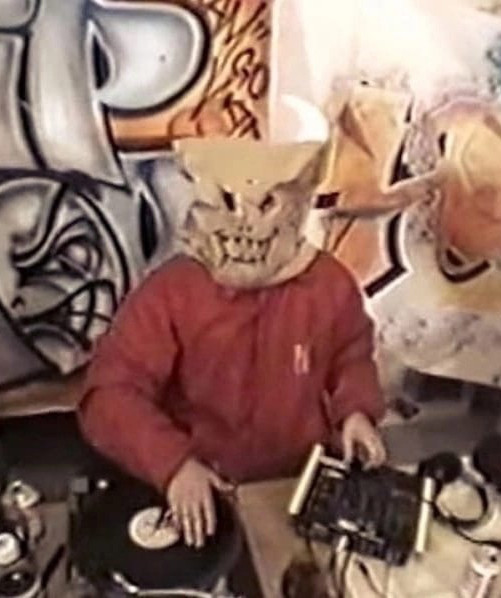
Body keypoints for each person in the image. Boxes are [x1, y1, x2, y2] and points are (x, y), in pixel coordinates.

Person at [77, 138, 387, 549]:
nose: (245, 221)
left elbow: (351, 354)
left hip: (294, 482)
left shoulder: (330, 284)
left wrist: (356, 411)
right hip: (203, 486)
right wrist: (173, 464)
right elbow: (108, 395)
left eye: (266, 204)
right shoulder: (172, 291)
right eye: (230, 201)